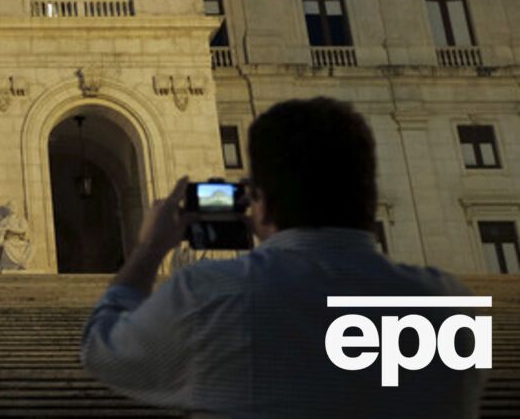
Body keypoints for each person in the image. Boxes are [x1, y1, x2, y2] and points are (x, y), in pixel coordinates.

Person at [80, 97, 483, 418]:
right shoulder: (452, 307)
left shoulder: (212, 295)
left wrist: (150, 249)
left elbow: (103, 350)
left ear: (263, 204)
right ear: (369, 197)